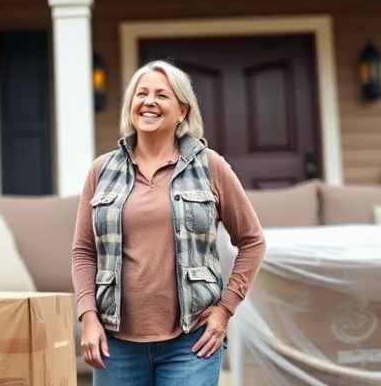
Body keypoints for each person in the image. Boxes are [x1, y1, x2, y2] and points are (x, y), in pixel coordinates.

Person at [71, 60, 266, 385]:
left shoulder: (210, 166)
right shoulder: (101, 171)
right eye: (141, 94)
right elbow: (83, 251)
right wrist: (88, 317)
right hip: (114, 344)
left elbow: (252, 241)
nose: (149, 101)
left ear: (183, 111)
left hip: (191, 342)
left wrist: (224, 310)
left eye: (162, 95)